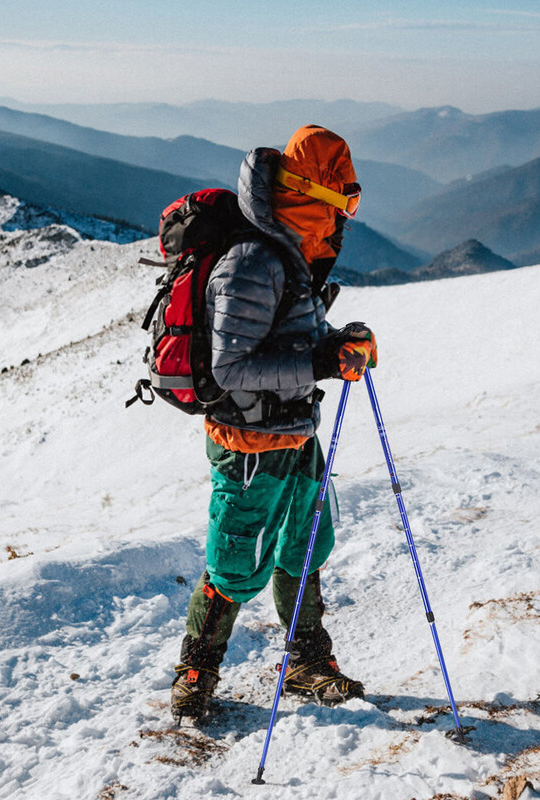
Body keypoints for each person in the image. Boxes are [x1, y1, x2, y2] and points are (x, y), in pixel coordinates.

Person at [171, 125, 377, 722]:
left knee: (305, 544)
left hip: (294, 433)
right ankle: (196, 672)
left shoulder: (288, 251)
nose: (346, 221)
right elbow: (231, 367)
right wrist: (319, 361)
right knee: (235, 561)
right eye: (342, 204)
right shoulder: (254, 260)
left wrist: (339, 345)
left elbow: (291, 338)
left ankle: (308, 661)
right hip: (249, 443)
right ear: (311, 197)